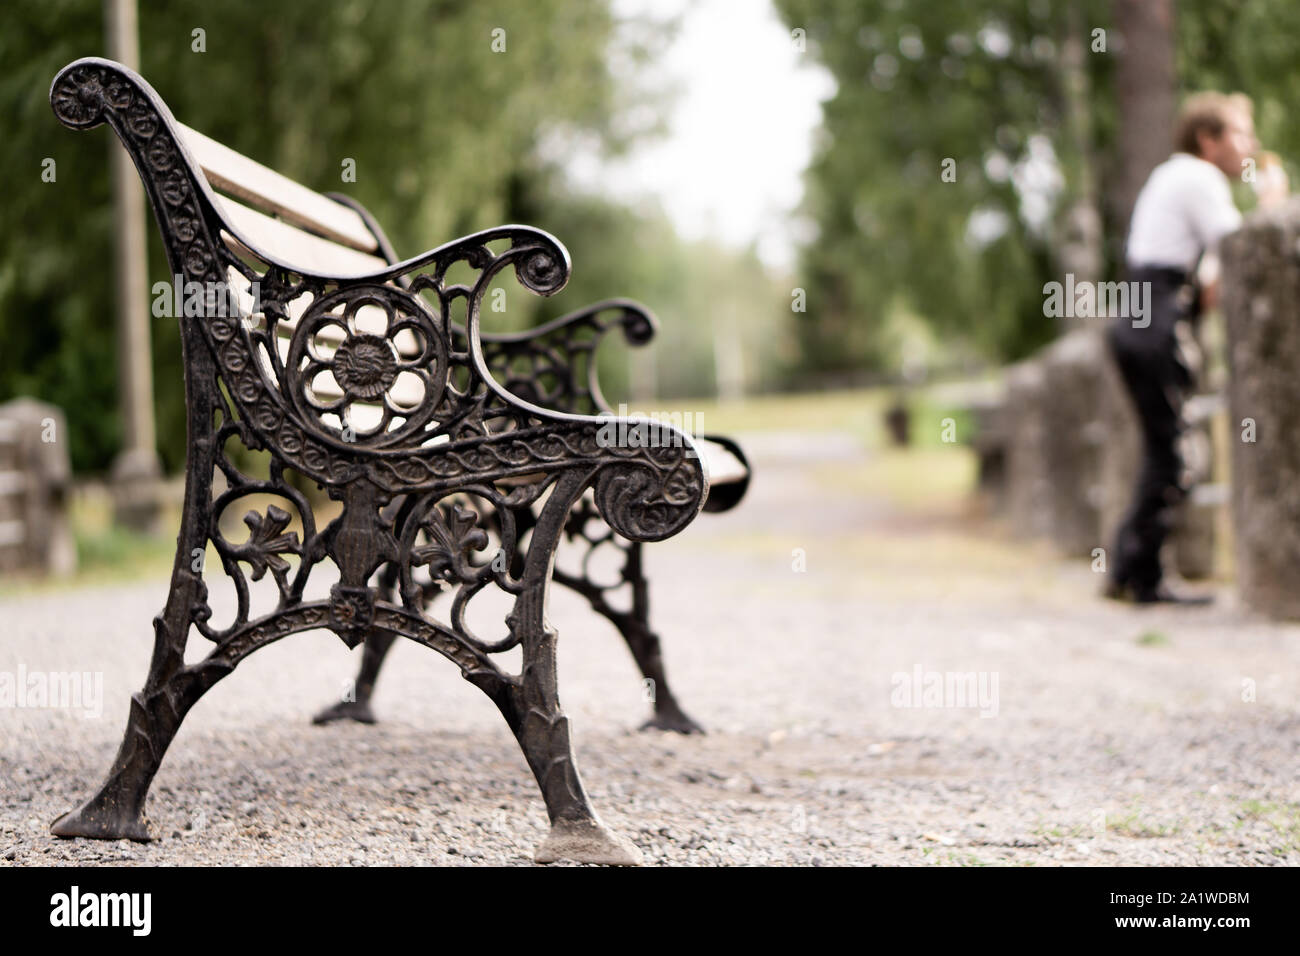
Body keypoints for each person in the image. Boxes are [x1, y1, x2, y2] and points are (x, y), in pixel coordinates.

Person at [1106, 92, 1280, 604]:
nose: (1250, 147)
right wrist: (1270, 203)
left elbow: (1208, 286)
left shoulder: (1173, 177)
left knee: (1167, 451)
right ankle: (1137, 576)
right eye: (1241, 134)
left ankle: (1130, 572)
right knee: (1175, 454)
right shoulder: (1198, 178)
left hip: (1143, 316)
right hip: (1156, 320)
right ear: (1209, 139)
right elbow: (1244, 252)